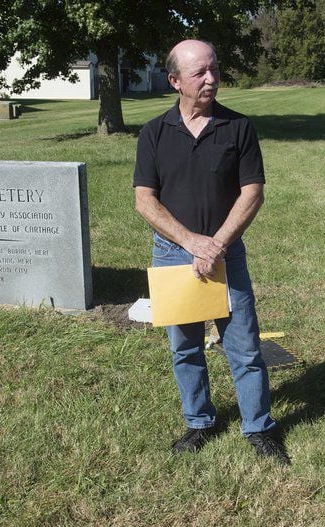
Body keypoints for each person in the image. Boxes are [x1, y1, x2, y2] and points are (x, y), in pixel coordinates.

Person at [133, 40, 289, 464]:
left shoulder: (238, 128)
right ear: (175, 81)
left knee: (243, 345)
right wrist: (190, 242)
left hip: (226, 255)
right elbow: (145, 200)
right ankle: (199, 421)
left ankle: (259, 427)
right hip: (172, 255)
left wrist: (216, 244)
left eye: (214, 70)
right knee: (185, 347)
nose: (211, 79)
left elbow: (252, 192)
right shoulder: (154, 133)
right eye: (200, 72)